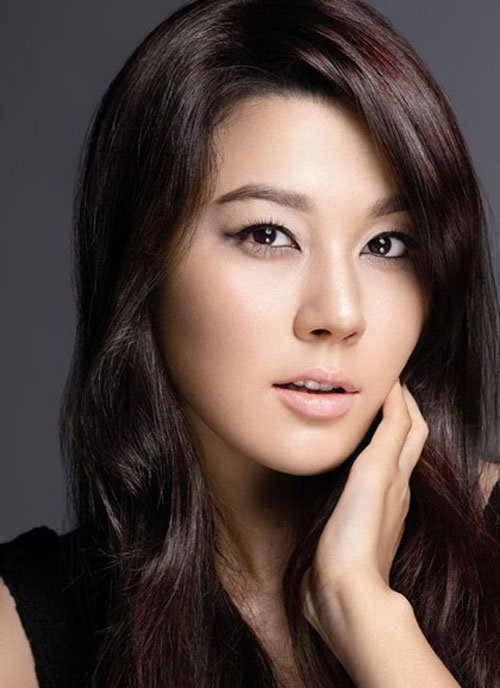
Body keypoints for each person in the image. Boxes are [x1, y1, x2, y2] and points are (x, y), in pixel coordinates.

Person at [1, 0, 499, 686]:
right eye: (268, 235)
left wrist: (365, 611)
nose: (340, 314)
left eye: (387, 245)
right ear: (142, 261)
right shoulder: (20, 637)